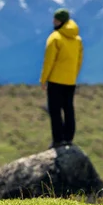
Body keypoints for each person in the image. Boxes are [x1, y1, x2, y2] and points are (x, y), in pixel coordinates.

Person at [40, 8, 83, 148]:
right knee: (68, 109)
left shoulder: (55, 37)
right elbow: (79, 61)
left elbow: (49, 61)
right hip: (70, 81)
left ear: (61, 21)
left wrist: (43, 79)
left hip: (55, 80)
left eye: (56, 20)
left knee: (55, 110)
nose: (53, 22)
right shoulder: (77, 39)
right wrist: (73, 76)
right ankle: (68, 138)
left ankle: (58, 140)